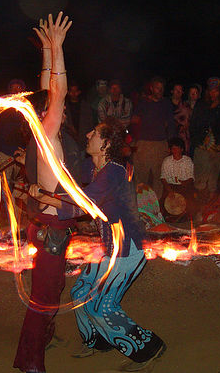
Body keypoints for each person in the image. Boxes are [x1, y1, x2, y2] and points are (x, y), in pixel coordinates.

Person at [29, 122, 166, 372]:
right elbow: (69, 184)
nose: (88, 134)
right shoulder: (93, 168)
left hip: (127, 251)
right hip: (109, 247)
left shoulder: (113, 171)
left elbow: (84, 202)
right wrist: (42, 185)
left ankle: (148, 347)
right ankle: (98, 341)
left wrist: (45, 197)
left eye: (94, 133)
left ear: (105, 144)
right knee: (80, 293)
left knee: (101, 305)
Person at [13, 13, 77, 373]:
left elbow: (46, 88)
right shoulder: (48, 134)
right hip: (51, 226)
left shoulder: (41, 138)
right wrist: (57, 47)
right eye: (55, 109)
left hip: (48, 225)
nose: (61, 109)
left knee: (51, 292)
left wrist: (47, 56)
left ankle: (45, 338)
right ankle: (30, 361)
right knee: (43, 297)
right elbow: (58, 91)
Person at [131, 76, 176, 198]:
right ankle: (141, 206)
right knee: (141, 177)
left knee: (159, 177)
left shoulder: (166, 103)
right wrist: (134, 141)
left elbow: (171, 124)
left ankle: (156, 208)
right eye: (157, 88)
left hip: (160, 144)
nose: (159, 91)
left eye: (162, 89)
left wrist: (170, 144)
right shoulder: (143, 102)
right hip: (143, 144)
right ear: (151, 88)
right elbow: (134, 121)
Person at [189, 77, 220, 200]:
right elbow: (194, 124)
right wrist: (197, 140)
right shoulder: (201, 104)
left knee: (213, 177)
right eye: (211, 90)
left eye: (216, 90)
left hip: (217, 147)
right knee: (200, 176)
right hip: (202, 146)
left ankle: (210, 206)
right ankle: (198, 205)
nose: (213, 93)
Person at [159, 137, 197, 220]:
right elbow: (163, 178)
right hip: (170, 186)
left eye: (177, 148)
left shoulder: (187, 160)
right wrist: (170, 190)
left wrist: (184, 183)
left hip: (185, 186)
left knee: (191, 207)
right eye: (173, 148)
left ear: (182, 149)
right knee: (163, 205)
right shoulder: (167, 161)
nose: (175, 150)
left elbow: (191, 178)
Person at [65, 80, 94, 150]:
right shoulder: (65, 107)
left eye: (75, 91)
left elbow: (90, 123)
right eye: (71, 91)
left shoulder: (85, 106)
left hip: (83, 140)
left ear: (79, 92)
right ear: (68, 92)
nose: (74, 94)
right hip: (69, 141)